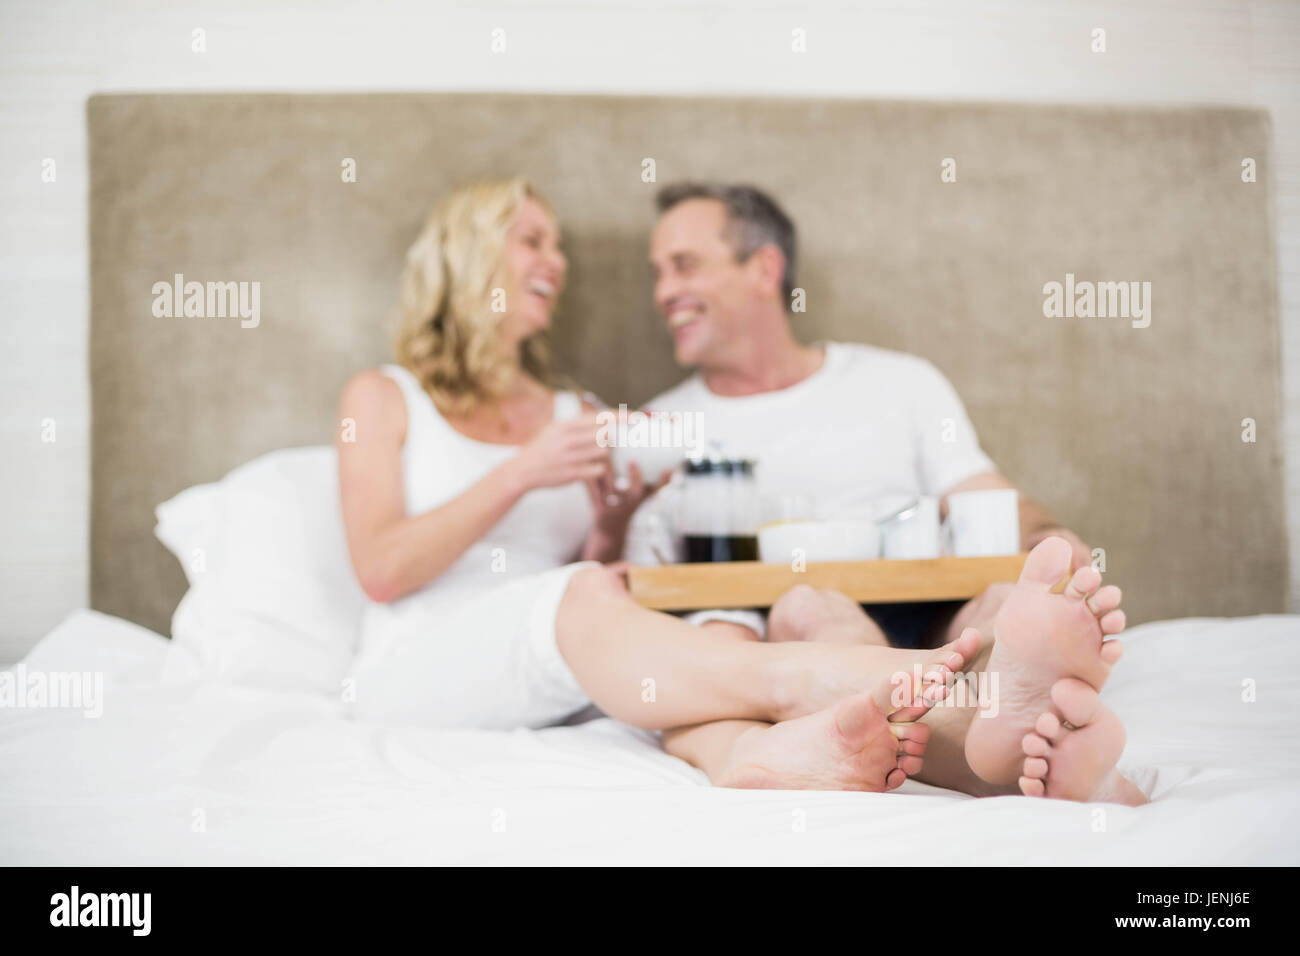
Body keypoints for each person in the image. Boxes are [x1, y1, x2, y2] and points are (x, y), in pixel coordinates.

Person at [338, 176, 1141, 804]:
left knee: (706, 635)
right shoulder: (385, 396)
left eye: (682, 264)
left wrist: (611, 523)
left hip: (578, 655)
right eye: (533, 241)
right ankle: (909, 702)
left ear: (766, 270)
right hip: (462, 651)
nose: (557, 264)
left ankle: (964, 739)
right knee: (763, 621)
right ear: (469, 251)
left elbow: (607, 585)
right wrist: (527, 476)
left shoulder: (579, 412)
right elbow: (382, 569)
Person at [626, 181, 1144, 802]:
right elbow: (646, 585)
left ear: (764, 268)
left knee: (1003, 603)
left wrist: (1048, 537)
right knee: (811, 609)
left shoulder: (898, 383)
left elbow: (982, 494)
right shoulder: (657, 430)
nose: (663, 293)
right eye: (657, 273)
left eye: (684, 266)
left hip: (935, 608)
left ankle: (1012, 710)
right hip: (790, 624)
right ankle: (1026, 751)